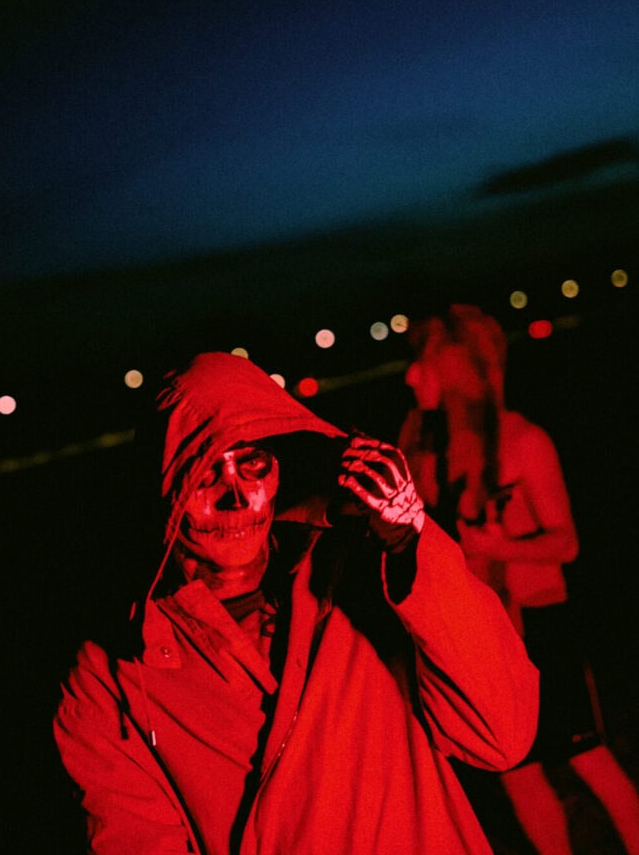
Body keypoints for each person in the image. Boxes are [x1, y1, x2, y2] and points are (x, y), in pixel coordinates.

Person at [54, 350, 538, 855]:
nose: (236, 497)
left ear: (280, 468)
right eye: (205, 474)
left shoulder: (364, 577)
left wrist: (413, 544)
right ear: (166, 488)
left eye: (252, 463)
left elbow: (500, 736)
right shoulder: (111, 677)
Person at [397, 305, 639, 855]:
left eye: (423, 364)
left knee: (586, 757)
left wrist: (497, 546)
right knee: (514, 767)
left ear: (455, 367)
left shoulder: (525, 440)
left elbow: (566, 542)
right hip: (482, 631)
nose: (410, 377)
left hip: (540, 622)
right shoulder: (427, 444)